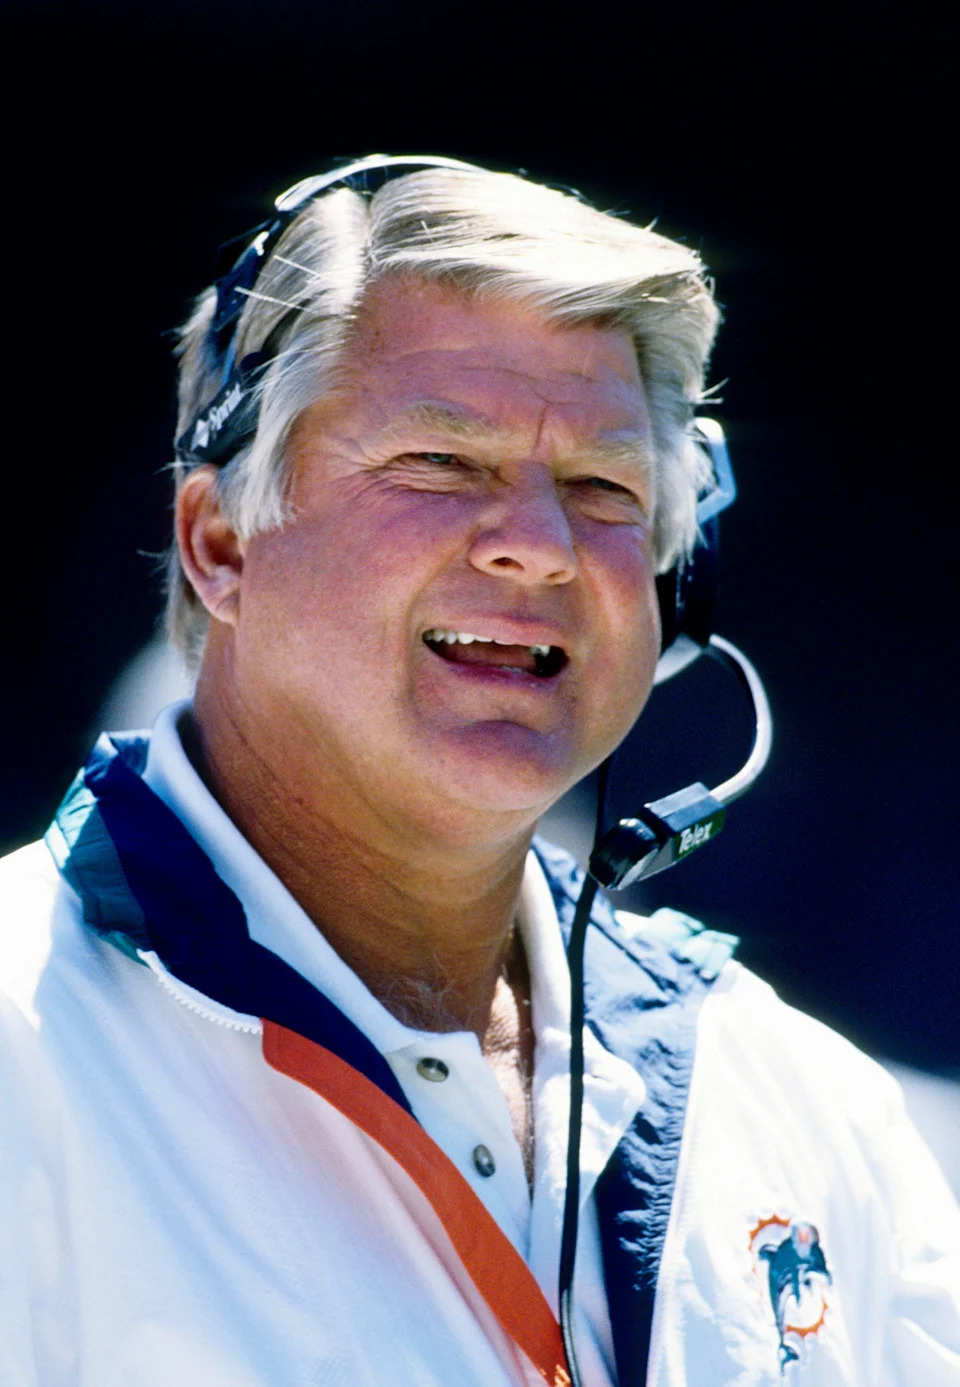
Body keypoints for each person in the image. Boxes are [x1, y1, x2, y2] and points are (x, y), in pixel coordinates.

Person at [1, 156, 957, 1387]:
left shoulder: (810, 1111)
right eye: (441, 463)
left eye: (604, 487)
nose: (538, 548)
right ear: (221, 542)